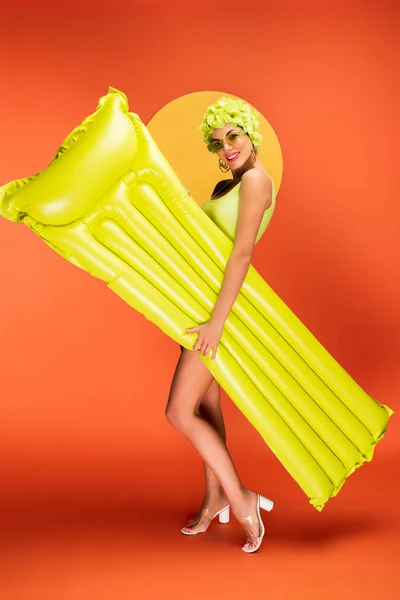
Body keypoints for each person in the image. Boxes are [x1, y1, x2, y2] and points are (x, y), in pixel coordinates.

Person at [165, 96, 276, 553]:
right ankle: (214, 500)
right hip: (202, 308)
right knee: (207, 410)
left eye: (233, 136)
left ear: (250, 135)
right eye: (217, 141)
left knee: (178, 412)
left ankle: (242, 498)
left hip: (223, 313)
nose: (226, 147)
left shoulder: (256, 180)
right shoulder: (224, 186)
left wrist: (217, 322)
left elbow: (242, 254)